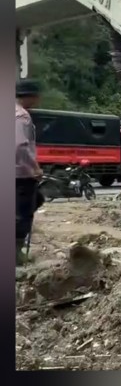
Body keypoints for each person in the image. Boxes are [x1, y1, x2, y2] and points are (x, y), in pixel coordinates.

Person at [15, 79, 44, 266]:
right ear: (30, 97)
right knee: (22, 213)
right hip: (21, 174)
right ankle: (15, 254)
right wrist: (34, 167)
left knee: (38, 199)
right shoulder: (21, 116)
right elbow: (19, 145)